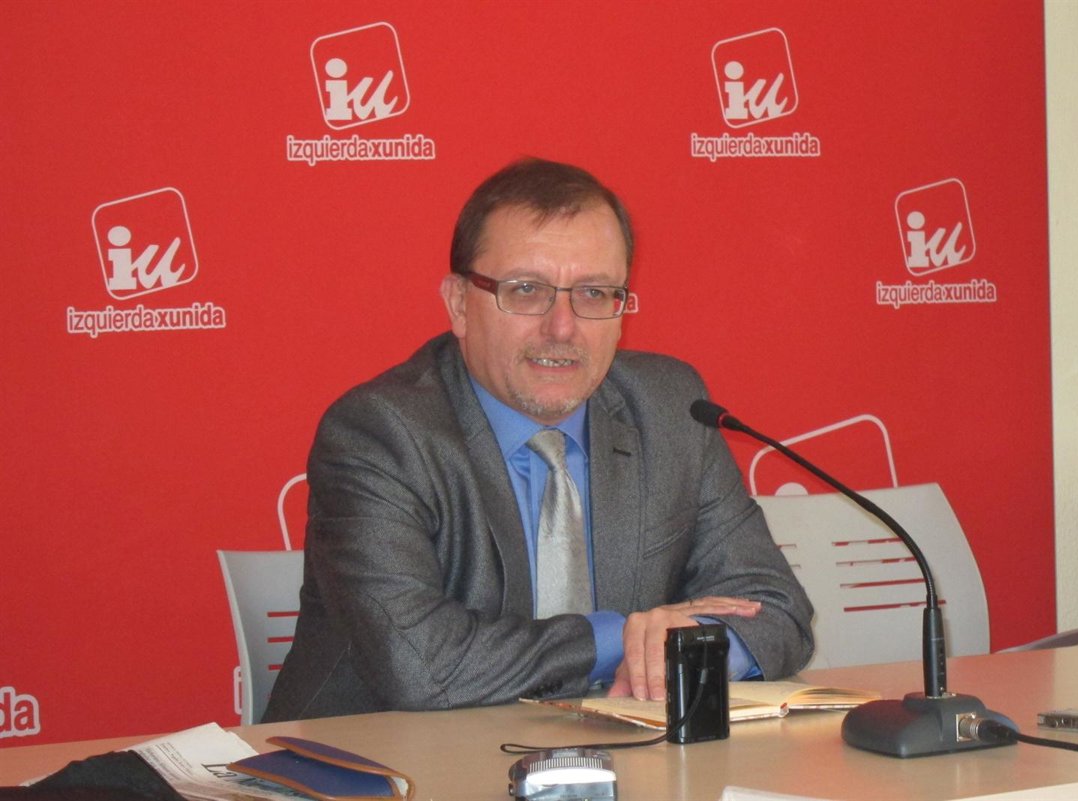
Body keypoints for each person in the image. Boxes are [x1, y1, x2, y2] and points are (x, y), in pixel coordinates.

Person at [263, 158, 814, 721]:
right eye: (526, 290)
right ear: (459, 304)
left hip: (618, 752)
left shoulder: (668, 407)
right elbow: (419, 665)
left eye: (594, 293)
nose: (562, 327)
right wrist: (622, 637)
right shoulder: (379, 432)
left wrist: (694, 638)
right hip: (379, 757)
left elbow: (776, 610)